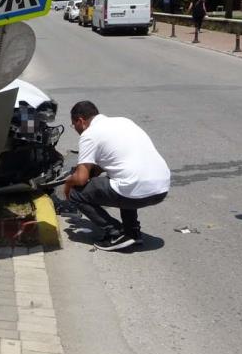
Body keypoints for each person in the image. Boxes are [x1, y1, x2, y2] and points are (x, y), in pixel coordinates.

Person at [61, 101, 171, 251]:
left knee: (76, 193)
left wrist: (68, 184)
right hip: (161, 188)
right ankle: (133, 233)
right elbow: (113, 161)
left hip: (135, 188)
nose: (76, 130)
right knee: (122, 182)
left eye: (74, 125)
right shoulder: (123, 121)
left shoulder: (89, 134)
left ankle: (115, 233)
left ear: (80, 121)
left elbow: (80, 179)